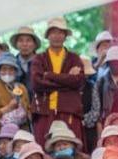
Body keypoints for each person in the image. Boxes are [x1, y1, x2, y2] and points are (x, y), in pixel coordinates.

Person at [30, 17, 85, 145]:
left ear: (65, 36)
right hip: (44, 111)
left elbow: (79, 81)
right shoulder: (39, 58)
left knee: (71, 150)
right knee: (43, 151)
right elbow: (36, 83)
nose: (57, 36)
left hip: (68, 110)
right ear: (48, 35)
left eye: (61, 32)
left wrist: (49, 75)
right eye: (53, 32)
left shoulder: (74, 58)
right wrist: (67, 81)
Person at [0, 53, 31, 133]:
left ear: (16, 71)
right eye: (4, 69)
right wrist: (7, 108)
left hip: (22, 132)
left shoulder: (21, 87)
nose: (7, 72)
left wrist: (26, 111)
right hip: (3, 133)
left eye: (11, 69)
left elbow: (28, 109)